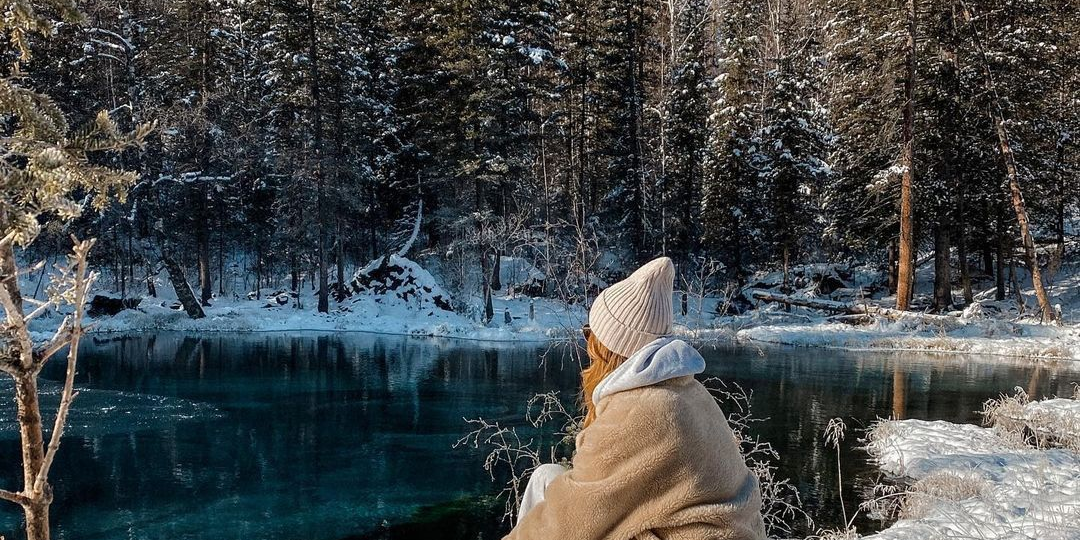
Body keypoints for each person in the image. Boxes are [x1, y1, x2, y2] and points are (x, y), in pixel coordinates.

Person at [505, 256, 766, 540]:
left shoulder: (636, 414)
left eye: (590, 334)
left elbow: (568, 524)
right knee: (546, 477)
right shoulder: (687, 391)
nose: (587, 345)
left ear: (607, 347)